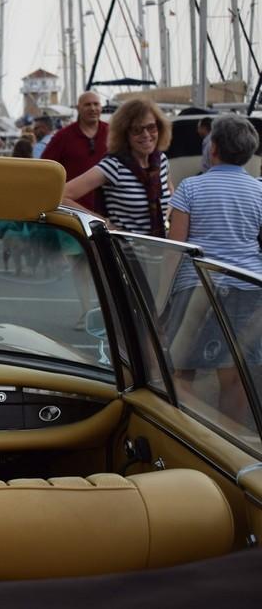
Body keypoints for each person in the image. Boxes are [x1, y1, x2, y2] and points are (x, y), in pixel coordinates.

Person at [164, 114, 262, 422]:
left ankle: (197, 430)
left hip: (198, 285)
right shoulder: (259, 190)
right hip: (248, 285)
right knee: (233, 375)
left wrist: (160, 298)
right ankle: (228, 438)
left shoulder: (190, 188)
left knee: (182, 370)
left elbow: (175, 250)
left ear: (214, 147)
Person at [62, 98, 172, 237]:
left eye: (151, 127)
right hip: (126, 255)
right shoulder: (114, 166)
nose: (146, 135)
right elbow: (62, 196)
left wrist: (166, 219)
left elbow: (170, 193)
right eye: (137, 130)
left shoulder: (161, 161)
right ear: (124, 133)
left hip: (161, 250)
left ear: (160, 128)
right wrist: (103, 223)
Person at [41, 91, 108, 211]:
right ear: (78, 108)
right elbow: (45, 168)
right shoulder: (63, 136)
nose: (92, 108)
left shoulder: (112, 133)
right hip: (72, 209)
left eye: (96, 104)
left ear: (101, 107)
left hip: (106, 210)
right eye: (87, 105)